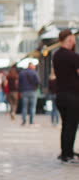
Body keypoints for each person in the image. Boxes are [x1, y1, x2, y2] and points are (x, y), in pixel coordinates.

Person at [52, 29, 79, 164]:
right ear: (69, 39)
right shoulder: (72, 56)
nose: (75, 41)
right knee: (72, 125)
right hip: (73, 96)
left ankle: (65, 151)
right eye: (74, 39)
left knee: (65, 124)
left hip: (60, 95)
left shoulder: (56, 55)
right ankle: (67, 154)